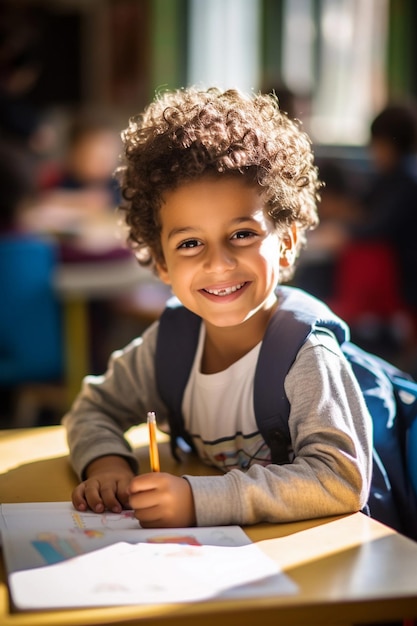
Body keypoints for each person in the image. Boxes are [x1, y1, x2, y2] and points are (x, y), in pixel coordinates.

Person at [63, 86, 372, 528]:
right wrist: (108, 464)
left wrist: (200, 500)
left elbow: (340, 479)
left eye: (243, 234)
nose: (218, 262)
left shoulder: (305, 356)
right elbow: (93, 408)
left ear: (284, 245)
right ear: (163, 262)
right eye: (190, 243)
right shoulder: (170, 345)